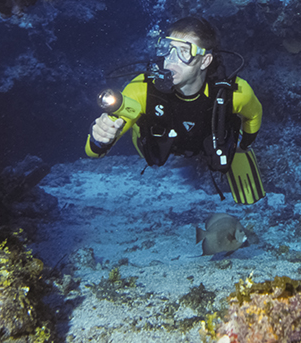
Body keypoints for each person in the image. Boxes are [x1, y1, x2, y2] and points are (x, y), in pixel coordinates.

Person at [85, 16, 265, 203]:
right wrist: (99, 139)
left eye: (184, 52)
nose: (171, 59)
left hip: (207, 138)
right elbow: (94, 152)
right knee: (146, 140)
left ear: (205, 61)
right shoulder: (141, 89)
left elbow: (254, 115)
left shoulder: (235, 92)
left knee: (227, 131)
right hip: (156, 143)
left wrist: (243, 145)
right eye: (167, 48)